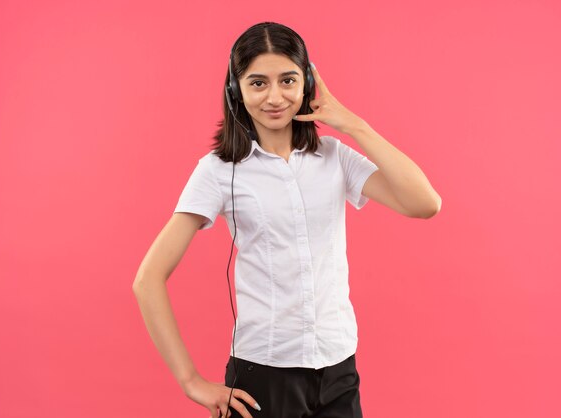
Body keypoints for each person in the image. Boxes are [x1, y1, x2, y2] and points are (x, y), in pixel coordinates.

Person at [132, 21, 442, 418]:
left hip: (338, 369)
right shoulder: (218, 170)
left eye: (288, 81)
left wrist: (351, 123)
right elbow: (147, 280)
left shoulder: (335, 157)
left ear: (306, 85)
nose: (275, 97)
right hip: (263, 376)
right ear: (236, 90)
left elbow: (425, 202)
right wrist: (191, 381)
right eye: (258, 83)